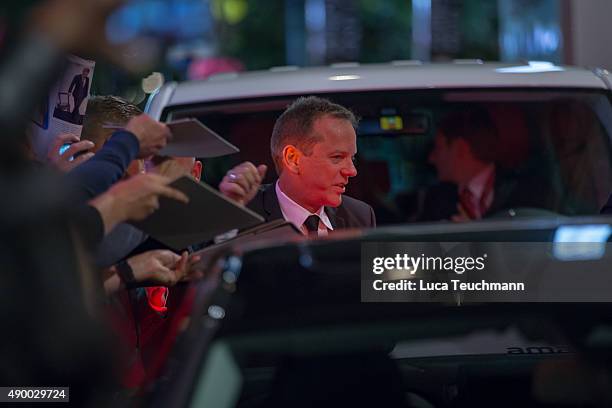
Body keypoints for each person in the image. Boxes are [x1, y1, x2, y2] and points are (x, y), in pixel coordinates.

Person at [220, 96, 376, 235]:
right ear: (293, 159)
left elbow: (378, 268)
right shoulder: (243, 213)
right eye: (337, 157)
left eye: (352, 158)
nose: (352, 171)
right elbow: (207, 263)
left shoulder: (361, 216)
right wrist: (230, 214)